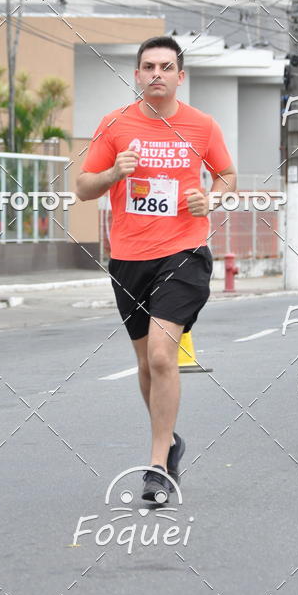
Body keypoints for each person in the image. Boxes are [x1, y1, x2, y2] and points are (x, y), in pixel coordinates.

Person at [76, 36, 236, 501]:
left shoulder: (202, 126)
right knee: (146, 362)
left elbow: (227, 175)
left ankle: (157, 464)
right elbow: (85, 187)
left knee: (164, 357)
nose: (157, 74)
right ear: (137, 74)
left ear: (180, 76)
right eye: (149, 66)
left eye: (167, 67)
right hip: (128, 257)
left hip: (184, 252)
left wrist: (213, 198)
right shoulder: (115, 125)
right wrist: (113, 174)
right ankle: (170, 441)